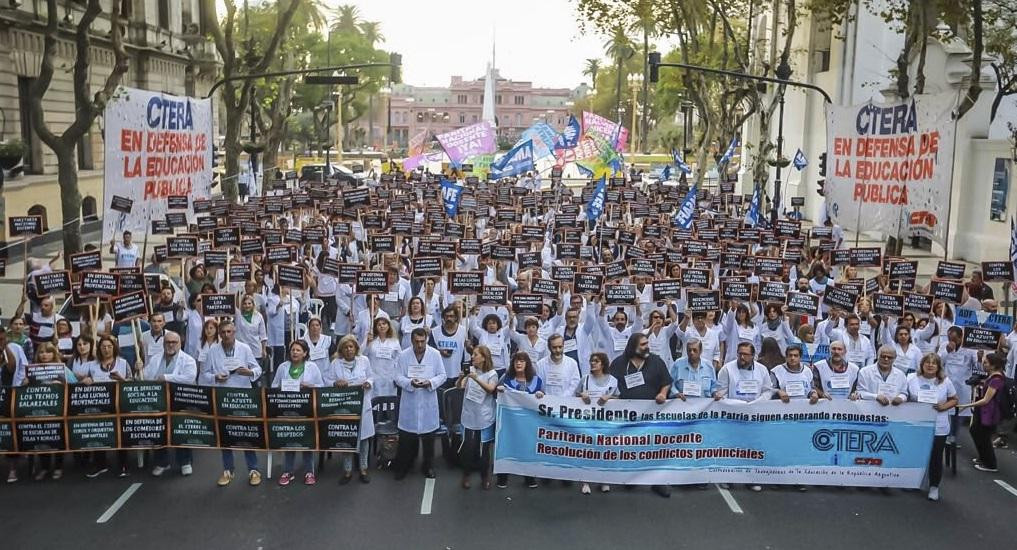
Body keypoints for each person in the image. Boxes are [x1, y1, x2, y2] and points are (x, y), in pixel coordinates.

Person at [200, 321, 263, 487]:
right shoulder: (212, 351)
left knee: (246, 433)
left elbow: (258, 369)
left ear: (234, 332)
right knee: (225, 433)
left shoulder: (244, 348)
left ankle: (253, 469)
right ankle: (228, 470)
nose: (226, 335)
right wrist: (215, 377)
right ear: (219, 334)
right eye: (223, 332)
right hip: (223, 397)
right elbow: (204, 374)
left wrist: (249, 372)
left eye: (229, 332)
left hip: (243, 396)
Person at [608, 333, 672, 497]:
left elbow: (666, 382)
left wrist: (663, 394)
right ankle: (632, 478)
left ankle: (658, 482)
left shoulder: (656, 361)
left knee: (655, 449)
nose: (646, 347)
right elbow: (609, 386)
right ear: (633, 347)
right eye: (642, 344)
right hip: (628, 416)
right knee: (631, 447)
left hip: (652, 415)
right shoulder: (619, 363)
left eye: (646, 343)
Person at [393, 327, 446, 480]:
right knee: (406, 439)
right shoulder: (403, 355)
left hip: (428, 400)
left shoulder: (435, 355)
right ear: (412, 341)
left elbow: (442, 375)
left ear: (427, 339)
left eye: (423, 341)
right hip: (410, 401)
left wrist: (430, 382)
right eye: (417, 342)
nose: (420, 345)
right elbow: (397, 377)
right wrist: (410, 383)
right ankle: (404, 466)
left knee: (429, 439)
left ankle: (428, 466)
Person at [271, 340, 323, 486]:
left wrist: (310, 386)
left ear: (305, 353)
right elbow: (274, 385)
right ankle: (288, 471)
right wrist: (281, 387)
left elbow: (321, 386)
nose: (294, 352)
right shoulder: (283, 367)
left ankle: (309, 472)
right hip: (287, 409)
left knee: (306, 440)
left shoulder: (312, 367)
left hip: (306, 410)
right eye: (293, 350)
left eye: (298, 350)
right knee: (290, 439)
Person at [906, 353, 957, 501]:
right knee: (915, 453)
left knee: (935, 456)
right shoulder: (911, 379)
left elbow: (954, 399)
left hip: (938, 425)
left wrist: (944, 406)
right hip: (916, 423)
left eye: (934, 363)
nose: (930, 365)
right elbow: (904, 395)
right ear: (921, 364)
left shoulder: (945, 381)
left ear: (938, 367)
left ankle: (934, 486)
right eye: (927, 362)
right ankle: (912, 482)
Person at [146, 331, 197, 476]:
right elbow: (147, 376)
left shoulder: (188, 360)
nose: (171, 345)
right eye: (168, 342)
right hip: (158, 400)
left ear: (180, 344)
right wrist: (140, 370)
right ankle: (162, 462)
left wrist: (166, 377)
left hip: (179, 400)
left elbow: (189, 378)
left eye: (174, 342)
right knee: (158, 430)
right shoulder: (155, 359)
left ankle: (185, 462)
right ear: (163, 344)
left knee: (180, 430)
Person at [81, 336, 130, 479]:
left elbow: (133, 383)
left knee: (120, 434)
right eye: (103, 347)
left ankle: (123, 465)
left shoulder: (123, 363)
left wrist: (121, 380)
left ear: (114, 347)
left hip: (119, 404)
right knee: (99, 433)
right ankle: (100, 464)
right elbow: (80, 380)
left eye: (109, 346)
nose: (106, 349)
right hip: (98, 405)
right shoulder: (91, 365)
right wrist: (85, 380)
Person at [496, 352, 544, 489]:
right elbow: (496, 394)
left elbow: (543, 398)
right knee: (506, 447)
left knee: (528, 448)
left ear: (527, 364)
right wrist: (499, 390)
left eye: (522, 361)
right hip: (509, 422)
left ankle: (529, 477)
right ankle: (502, 476)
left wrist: (541, 394)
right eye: (516, 361)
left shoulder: (536, 381)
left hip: (528, 423)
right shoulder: (506, 378)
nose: (518, 363)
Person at [957, 352, 1007, 473]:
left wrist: (966, 406)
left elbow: (986, 400)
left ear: (993, 365)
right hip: (984, 411)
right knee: (974, 430)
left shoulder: (996, 379)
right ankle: (983, 458)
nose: (983, 365)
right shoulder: (991, 376)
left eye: (986, 363)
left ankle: (990, 464)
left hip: (990, 413)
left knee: (983, 436)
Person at [457, 346, 499, 490]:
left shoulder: (492, 374)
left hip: (484, 417)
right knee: (468, 448)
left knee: (484, 449)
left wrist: (476, 379)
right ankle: (466, 475)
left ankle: (485, 476)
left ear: (483, 357)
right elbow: (460, 387)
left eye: (475, 355)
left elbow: (490, 389)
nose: (472, 357)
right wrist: (462, 377)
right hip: (469, 415)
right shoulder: (471, 371)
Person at [577, 351, 618, 494]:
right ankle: (585, 481)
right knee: (587, 450)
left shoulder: (613, 380)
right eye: (591, 360)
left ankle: (604, 479)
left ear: (603, 363)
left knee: (604, 450)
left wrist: (610, 399)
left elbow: (621, 400)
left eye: (596, 361)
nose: (593, 363)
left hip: (605, 421)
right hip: (588, 421)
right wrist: (582, 395)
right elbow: (575, 395)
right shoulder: (585, 379)